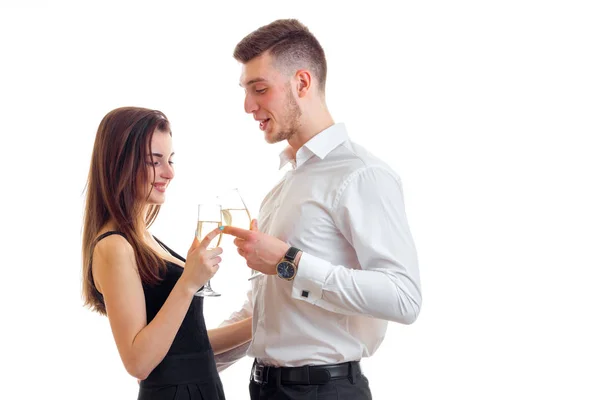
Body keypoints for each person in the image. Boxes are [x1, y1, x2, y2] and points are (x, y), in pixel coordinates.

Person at [218, 19, 423, 399]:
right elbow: (265, 316)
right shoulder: (283, 187)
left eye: (259, 89)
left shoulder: (362, 174)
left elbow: (404, 296)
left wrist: (289, 262)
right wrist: (181, 357)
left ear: (302, 83)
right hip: (265, 390)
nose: (248, 106)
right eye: (246, 92)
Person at [81, 106, 252, 399]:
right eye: (154, 161)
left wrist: (264, 321)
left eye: (170, 160)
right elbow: (138, 362)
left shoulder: (144, 239)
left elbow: (189, 346)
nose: (169, 173)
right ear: (119, 163)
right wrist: (187, 283)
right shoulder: (114, 246)